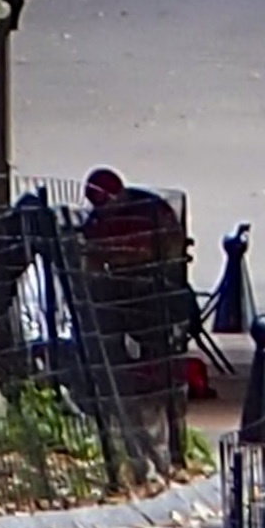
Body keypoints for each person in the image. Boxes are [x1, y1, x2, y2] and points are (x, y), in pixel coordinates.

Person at [75, 165, 184, 484]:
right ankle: (123, 388)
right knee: (112, 341)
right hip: (117, 289)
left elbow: (173, 244)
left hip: (152, 285)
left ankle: (156, 389)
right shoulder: (97, 221)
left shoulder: (150, 209)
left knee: (156, 343)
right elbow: (91, 255)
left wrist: (150, 264)